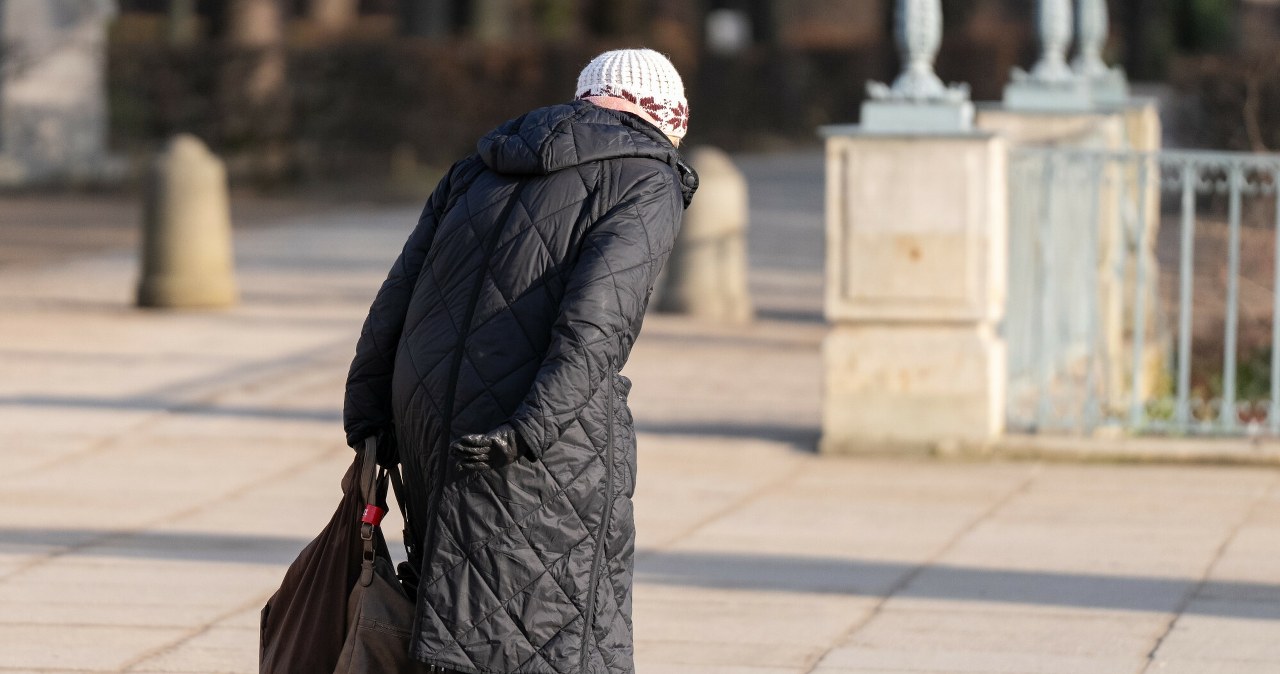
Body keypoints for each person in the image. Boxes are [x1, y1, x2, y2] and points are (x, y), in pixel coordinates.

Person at [343, 49, 697, 673]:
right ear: (666, 116)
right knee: (545, 622)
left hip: (426, 410)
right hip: (534, 425)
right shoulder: (647, 177)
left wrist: (369, 412)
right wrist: (535, 426)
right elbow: (597, 322)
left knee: (449, 599)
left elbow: (397, 293)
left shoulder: (478, 167)